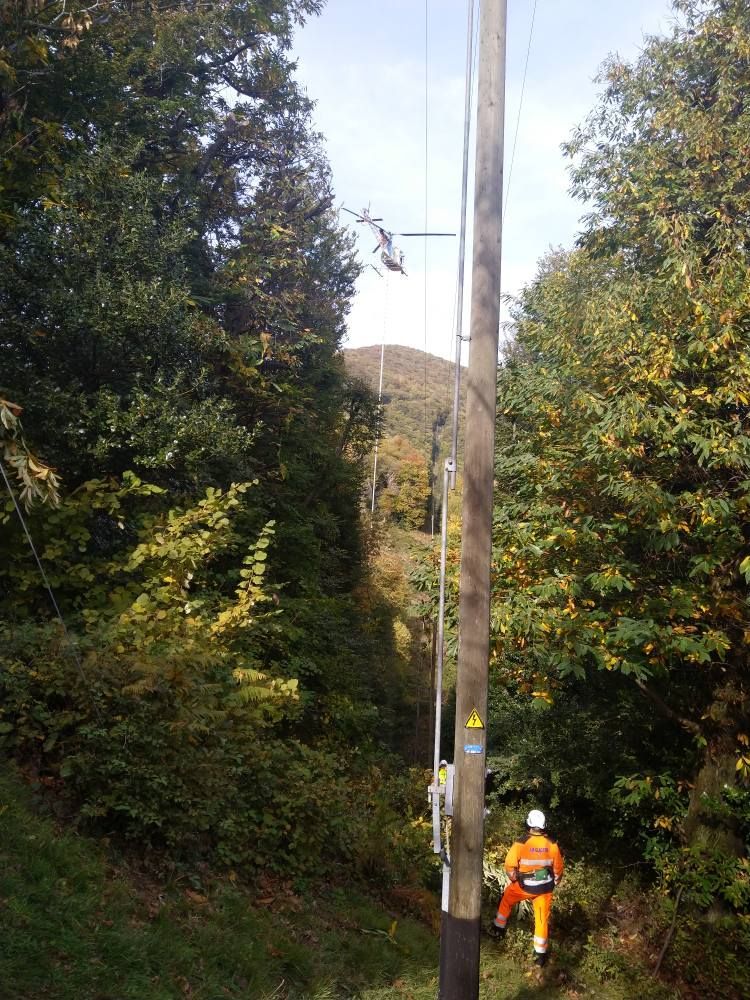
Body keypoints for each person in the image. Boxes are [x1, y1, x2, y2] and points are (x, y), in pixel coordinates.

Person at [490, 809, 564, 967]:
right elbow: (558, 868)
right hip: (545, 888)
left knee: (506, 900)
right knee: (542, 919)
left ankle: (498, 929)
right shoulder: (552, 844)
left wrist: (513, 878)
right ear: (544, 826)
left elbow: (510, 865)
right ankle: (540, 956)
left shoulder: (521, 842)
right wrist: (556, 881)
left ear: (529, 824)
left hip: (524, 886)